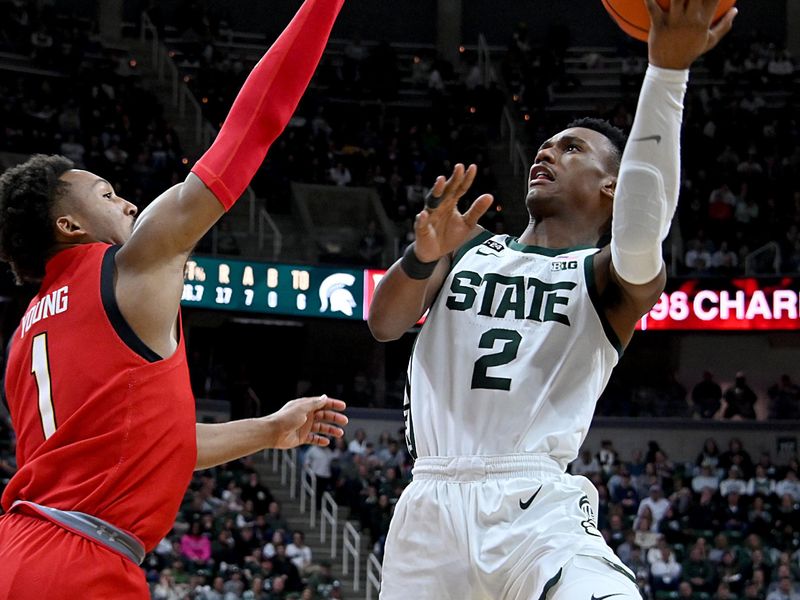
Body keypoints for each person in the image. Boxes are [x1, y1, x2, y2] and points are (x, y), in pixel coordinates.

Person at [367, 1, 736, 598]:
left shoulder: (610, 278)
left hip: (536, 509)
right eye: (545, 146)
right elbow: (384, 324)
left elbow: (645, 223)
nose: (546, 153)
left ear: (612, 186)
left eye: (571, 150)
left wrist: (667, 73)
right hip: (430, 509)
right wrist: (422, 254)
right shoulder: (465, 246)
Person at [0, 1, 348, 598]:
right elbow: (250, 129)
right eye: (107, 194)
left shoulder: (24, 335)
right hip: (80, 564)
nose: (128, 203)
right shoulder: (130, 267)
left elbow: (152, 446)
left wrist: (268, 429)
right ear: (68, 225)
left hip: (18, 546)